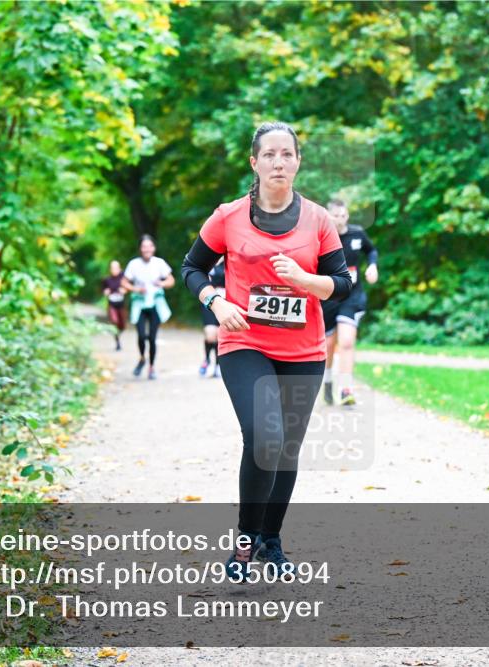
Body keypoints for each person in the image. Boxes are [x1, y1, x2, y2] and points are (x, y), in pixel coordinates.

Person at [181, 121, 352, 581]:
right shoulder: (228, 216)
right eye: (270, 155)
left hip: (304, 351)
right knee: (264, 437)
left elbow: (342, 284)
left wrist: (304, 280)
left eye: (287, 154)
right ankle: (244, 543)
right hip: (245, 343)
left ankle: (270, 542)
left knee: (287, 449)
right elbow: (192, 267)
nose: (279, 162)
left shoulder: (318, 220)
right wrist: (216, 302)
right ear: (254, 162)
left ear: (298, 162)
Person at [320, 198, 378, 406]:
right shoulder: (320, 237)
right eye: (336, 216)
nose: (340, 220)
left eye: (344, 215)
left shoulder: (357, 234)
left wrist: (372, 266)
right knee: (328, 345)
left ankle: (346, 389)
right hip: (328, 296)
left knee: (346, 341)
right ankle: (327, 381)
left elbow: (371, 250)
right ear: (328, 216)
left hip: (352, 296)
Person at [124, 235, 175, 380]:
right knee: (141, 336)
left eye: (150, 246)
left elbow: (171, 280)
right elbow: (124, 282)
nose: (147, 249)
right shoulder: (134, 264)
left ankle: (151, 367)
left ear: (154, 248)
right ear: (140, 249)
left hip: (155, 304)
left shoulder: (159, 263)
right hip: (139, 304)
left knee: (152, 338)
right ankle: (142, 358)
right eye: (144, 246)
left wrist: (161, 283)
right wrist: (136, 289)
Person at [199, 258, 226, 378]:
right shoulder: (208, 259)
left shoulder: (231, 260)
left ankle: (218, 365)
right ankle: (207, 360)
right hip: (210, 301)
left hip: (226, 303)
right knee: (210, 335)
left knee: (219, 335)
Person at [101, 260, 127, 351]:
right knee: (114, 322)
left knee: (122, 325)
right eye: (112, 268)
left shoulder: (123, 279)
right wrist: (106, 292)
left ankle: (118, 334)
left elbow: (129, 287)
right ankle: (117, 342)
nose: (114, 270)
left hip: (121, 304)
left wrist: (125, 290)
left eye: (116, 268)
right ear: (110, 269)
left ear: (119, 269)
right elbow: (103, 290)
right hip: (112, 304)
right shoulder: (107, 280)